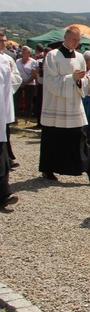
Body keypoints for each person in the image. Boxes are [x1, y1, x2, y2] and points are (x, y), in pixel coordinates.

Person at [38, 27, 90, 183]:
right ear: (65, 37)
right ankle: (47, 169)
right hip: (56, 105)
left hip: (73, 104)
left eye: (78, 40)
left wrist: (81, 80)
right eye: (73, 39)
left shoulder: (80, 57)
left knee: (79, 137)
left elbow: (81, 80)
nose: (76, 43)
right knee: (53, 138)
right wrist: (71, 78)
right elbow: (50, 81)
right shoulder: (52, 56)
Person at [0, 32, 21, 208]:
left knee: (1, 155)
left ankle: (4, 194)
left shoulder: (5, 61)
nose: (3, 44)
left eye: (4, 41)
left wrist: (7, 115)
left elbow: (11, 84)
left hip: (1, 115)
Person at [14, 46, 38, 123]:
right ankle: (16, 117)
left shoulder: (33, 62)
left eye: (26, 51)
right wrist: (20, 82)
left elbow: (35, 75)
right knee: (16, 100)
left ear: (29, 53)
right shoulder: (18, 61)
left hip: (30, 83)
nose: (24, 52)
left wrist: (26, 82)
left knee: (28, 101)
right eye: (23, 51)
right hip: (19, 83)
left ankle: (27, 118)